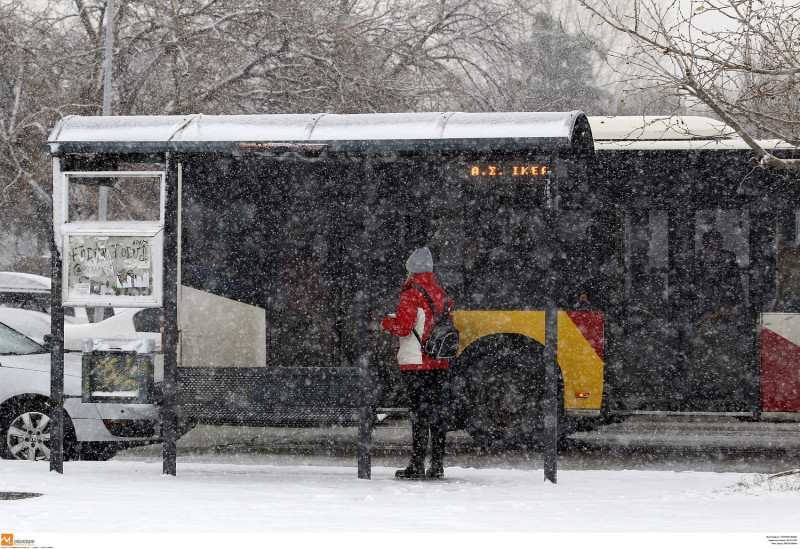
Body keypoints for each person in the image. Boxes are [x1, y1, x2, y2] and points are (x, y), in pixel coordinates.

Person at [381, 247, 452, 479]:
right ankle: (437, 464)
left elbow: (403, 327)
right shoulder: (440, 292)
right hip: (439, 362)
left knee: (419, 414)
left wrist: (386, 323)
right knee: (436, 413)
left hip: (416, 364)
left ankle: (416, 463)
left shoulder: (411, 293)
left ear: (412, 271)